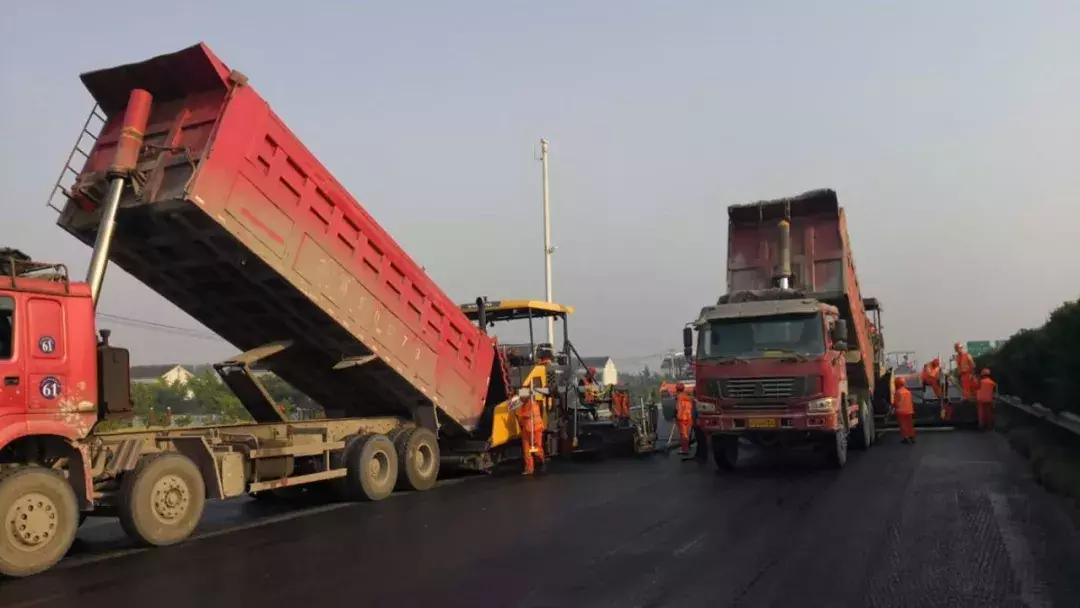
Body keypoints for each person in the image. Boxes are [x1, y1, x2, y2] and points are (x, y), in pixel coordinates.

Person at [512, 389, 546, 475]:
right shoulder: (523, 405)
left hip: (536, 429)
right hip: (527, 429)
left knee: (537, 448)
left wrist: (519, 414)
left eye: (522, 397)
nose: (521, 398)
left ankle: (540, 459)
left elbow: (529, 414)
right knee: (526, 450)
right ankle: (529, 469)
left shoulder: (533, 404)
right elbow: (519, 414)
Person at [893, 376, 915, 444]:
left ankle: (906, 438)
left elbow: (896, 403)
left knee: (903, 425)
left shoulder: (897, 392)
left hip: (901, 411)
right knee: (909, 425)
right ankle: (911, 436)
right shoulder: (908, 392)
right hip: (909, 411)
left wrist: (894, 408)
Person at [675, 383, 694, 455]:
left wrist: (677, 416)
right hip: (689, 417)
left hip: (682, 418)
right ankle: (687, 447)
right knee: (687, 434)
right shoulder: (688, 397)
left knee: (683, 435)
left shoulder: (679, 397)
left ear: (677, 389)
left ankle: (684, 450)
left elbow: (678, 407)